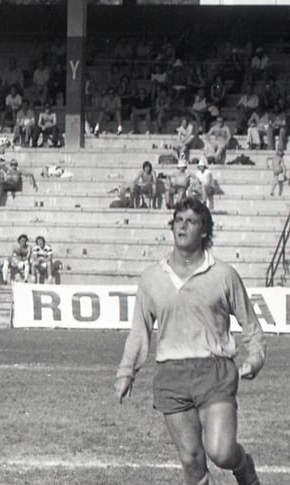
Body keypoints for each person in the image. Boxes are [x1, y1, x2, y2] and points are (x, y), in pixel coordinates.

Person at [116, 198, 264, 485]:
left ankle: (244, 466)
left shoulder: (223, 275)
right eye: (178, 220)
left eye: (191, 221)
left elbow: (250, 324)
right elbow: (140, 330)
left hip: (214, 370)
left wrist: (255, 357)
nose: (182, 226)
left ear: (205, 231)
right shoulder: (152, 278)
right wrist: (126, 372)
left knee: (220, 452)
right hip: (171, 374)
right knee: (192, 460)